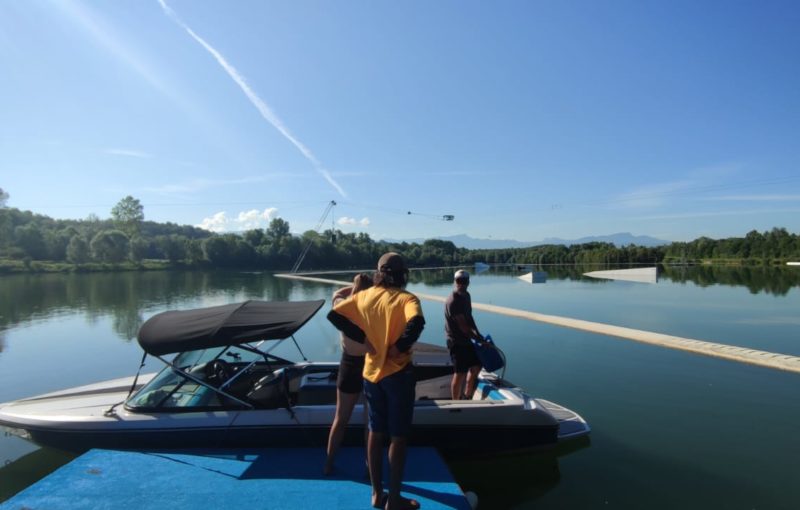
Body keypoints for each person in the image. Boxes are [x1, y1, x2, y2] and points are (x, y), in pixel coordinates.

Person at [327, 252, 425, 510]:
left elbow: (334, 316)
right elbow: (417, 322)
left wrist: (364, 339)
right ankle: (394, 500)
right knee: (398, 437)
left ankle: (375, 493)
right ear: (403, 274)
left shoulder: (364, 297)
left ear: (380, 273)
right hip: (397, 375)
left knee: (375, 430)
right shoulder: (407, 298)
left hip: (371, 375)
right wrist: (399, 347)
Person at [324, 272, 373, 476]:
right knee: (369, 422)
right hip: (369, 366)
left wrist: (352, 288)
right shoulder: (372, 309)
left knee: (340, 419)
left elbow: (337, 292)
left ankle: (329, 464)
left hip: (348, 364)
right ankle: (370, 468)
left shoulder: (341, 305)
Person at [444, 269, 485, 400]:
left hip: (466, 340)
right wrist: (479, 339)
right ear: (455, 281)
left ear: (468, 282)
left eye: (464, 281)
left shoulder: (466, 295)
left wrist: (478, 334)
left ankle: (467, 395)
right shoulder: (453, 301)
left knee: (477, 365)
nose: (461, 283)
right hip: (456, 341)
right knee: (460, 372)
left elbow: (469, 317)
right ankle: (456, 403)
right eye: (458, 281)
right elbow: (463, 327)